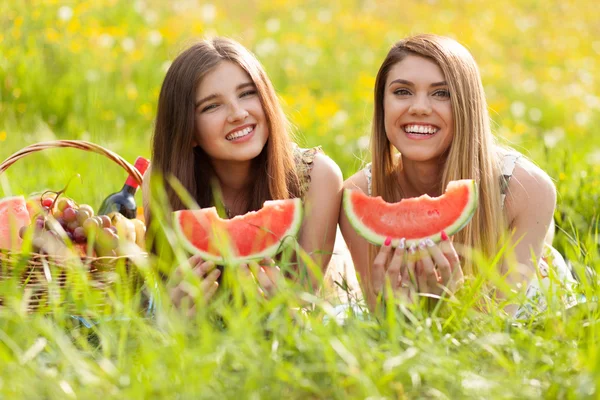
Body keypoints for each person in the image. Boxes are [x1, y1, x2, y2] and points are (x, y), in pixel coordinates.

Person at [339, 34, 576, 316]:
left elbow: (497, 332)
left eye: (442, 93)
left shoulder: (527, 189)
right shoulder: (358, 196)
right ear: (382, 104)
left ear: (468, 105)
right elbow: (383, 328)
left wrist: (453, 308)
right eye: (402, 92)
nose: (419, 107)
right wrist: (396, 313)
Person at [143, 37, 343, 310]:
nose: (238, 113)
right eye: (212, 106)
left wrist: (285, 307)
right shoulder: (163, 180)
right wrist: (173, 317)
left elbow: (306, 305)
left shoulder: (317, 176)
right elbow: (164, 291)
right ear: (187, 130)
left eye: (247, 93)